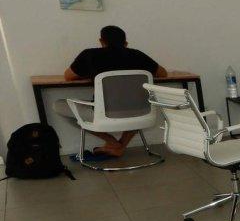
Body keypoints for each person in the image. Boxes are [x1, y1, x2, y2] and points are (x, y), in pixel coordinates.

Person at [53, 25, 167, 157]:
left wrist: (91, 73)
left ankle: (113, 143)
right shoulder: (138, 55)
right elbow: (163, 73)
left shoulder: (89, 55)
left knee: (58, 105)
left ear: (101, 41)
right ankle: (121, 145)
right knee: (141, 106)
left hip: (104, 114)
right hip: (139, 112)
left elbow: (68, 76)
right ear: (126, 43)